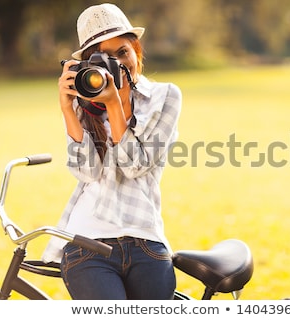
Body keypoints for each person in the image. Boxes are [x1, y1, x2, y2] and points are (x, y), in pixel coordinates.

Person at [42, 3, 181, 300]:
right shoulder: (84, 99)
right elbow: (86, 172)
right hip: (87, 242)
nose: (116, 63)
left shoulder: (165, 97)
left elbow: (135, 166)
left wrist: (115, 104)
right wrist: (68, 109)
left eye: (122, 52)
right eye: (103, 58)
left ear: (137, 52)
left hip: (145, 238)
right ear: (88, 64)